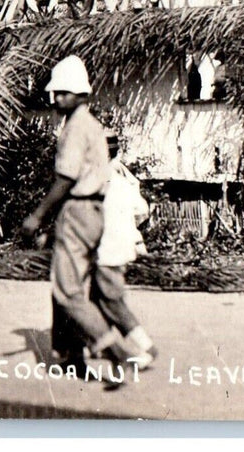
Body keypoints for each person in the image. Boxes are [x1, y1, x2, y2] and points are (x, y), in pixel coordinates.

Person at [21, 55, 142, 372]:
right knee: (72, 284)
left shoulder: (75, 127)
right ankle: (70, 353)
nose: (56, 99)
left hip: (78, 207)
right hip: (93, 211)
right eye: (55, 93)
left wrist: (38, 215)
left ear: (79, 94)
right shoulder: (94, 126)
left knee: (67, 290)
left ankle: (110, 346)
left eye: (63, 93)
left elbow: (66, 178)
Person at [97, 130, 157, 363]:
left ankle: (142, 348)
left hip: (107, 247)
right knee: (100, 299)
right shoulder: (121, 177)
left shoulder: (104, 178)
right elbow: (141, 209)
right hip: (120, 244)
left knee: (109, 300)